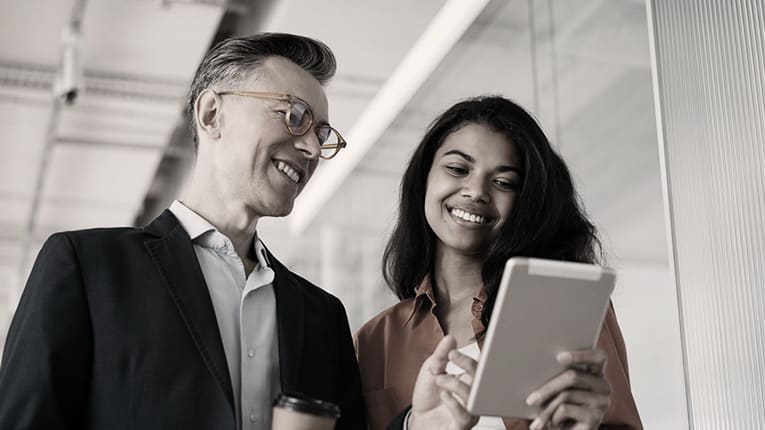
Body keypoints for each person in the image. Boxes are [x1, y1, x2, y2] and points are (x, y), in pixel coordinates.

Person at [0, 33, 365, 430]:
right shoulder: (89, 268)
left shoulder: (323, 318)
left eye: (323, 135)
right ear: (211, 114)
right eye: (296, 116)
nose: (312, 148)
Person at [355, 96, 643, 430]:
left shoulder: (567, 310)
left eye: (504, 182)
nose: (476, 191)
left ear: (526, 202)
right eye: (458, 169)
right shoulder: (375, 340)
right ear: (423, 179)